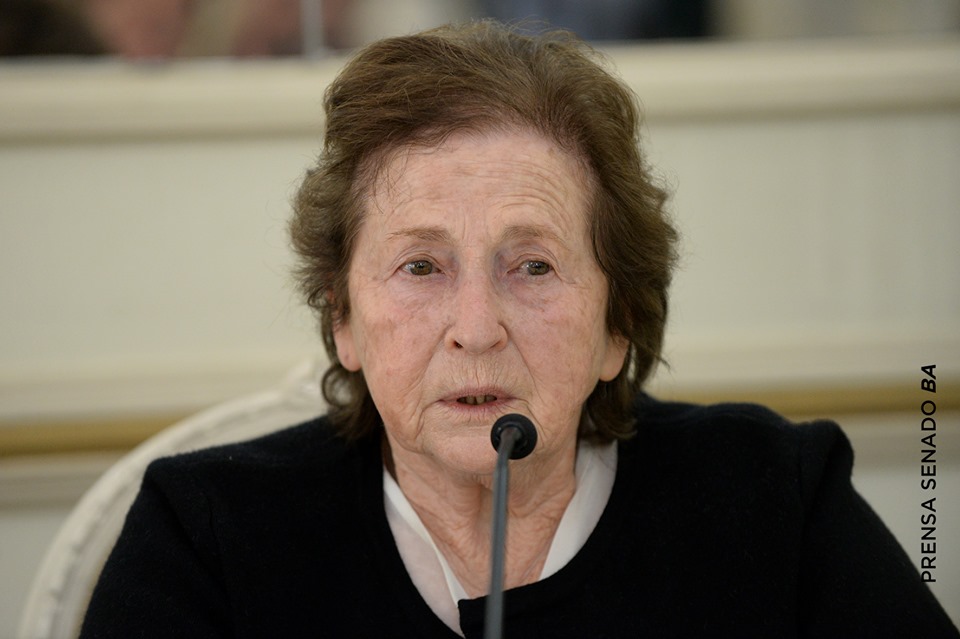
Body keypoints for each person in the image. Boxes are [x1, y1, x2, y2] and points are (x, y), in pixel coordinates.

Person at [81, 21, 958, 638]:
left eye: (532, 266)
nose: (476, 329)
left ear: (617, 324)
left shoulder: (776, 499)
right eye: (421, 266)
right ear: (342, 318)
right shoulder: (206, 535)